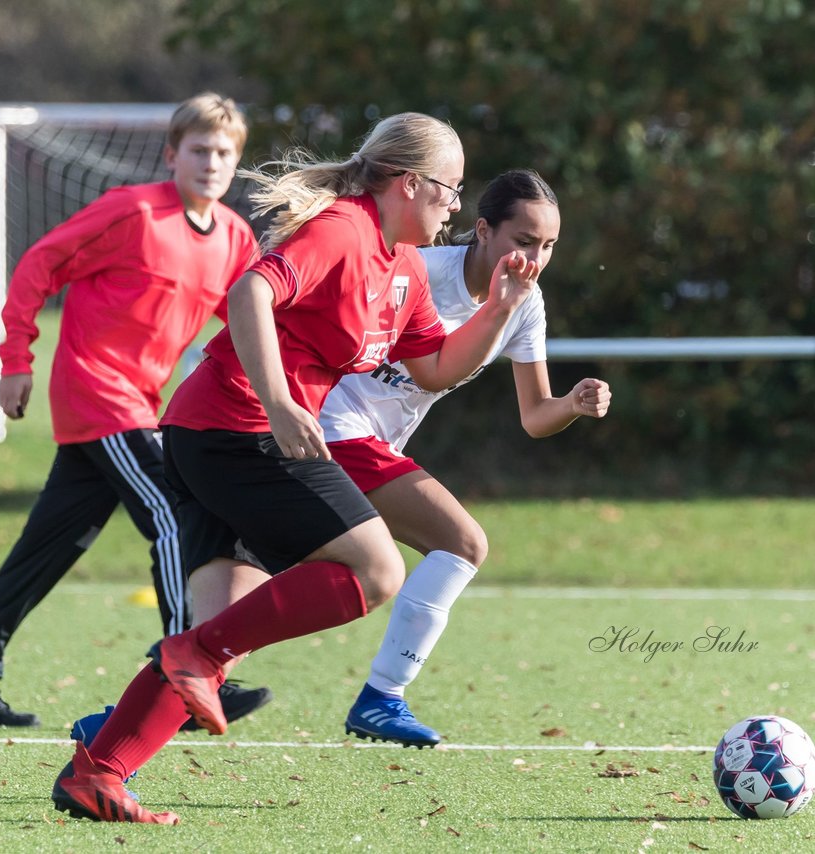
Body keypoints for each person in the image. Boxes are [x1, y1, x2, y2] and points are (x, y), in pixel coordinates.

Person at [49, 111, 541, 824]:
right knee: (375, 572)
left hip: (216, 436)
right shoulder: (342, 230)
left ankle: (98, 773)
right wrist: (279, 403)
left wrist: (498, 311)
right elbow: (249, 291)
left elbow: (434, 369)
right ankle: (195, 651)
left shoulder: (401, 267)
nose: (457, 207)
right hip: (231, 430)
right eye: (450, 189)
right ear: (408, 184)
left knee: (216, 639)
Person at [0, 92, 272, 730]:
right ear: (172, 154)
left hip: (141, 405)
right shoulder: (132, 212)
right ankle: (187, 674)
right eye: (199, 149)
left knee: (46, 549)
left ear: (237, 162)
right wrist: (16, 361)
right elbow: (38, 265)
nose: (211, 161)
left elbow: (246, 332)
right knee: (174, 514)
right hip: (97, 392)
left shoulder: (234, 238)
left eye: (225, 152)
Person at [327, 169, 611, 747]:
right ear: (482, 230)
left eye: (549, 245)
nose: (536, 256)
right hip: (334, 428)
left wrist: (573, 405)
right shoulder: (421, 271)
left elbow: (535, 416)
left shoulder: (525, 304)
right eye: (524, 241)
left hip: (372, 445)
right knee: (463, 543)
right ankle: (383, 695)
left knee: (259, 569)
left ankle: (169, 683)